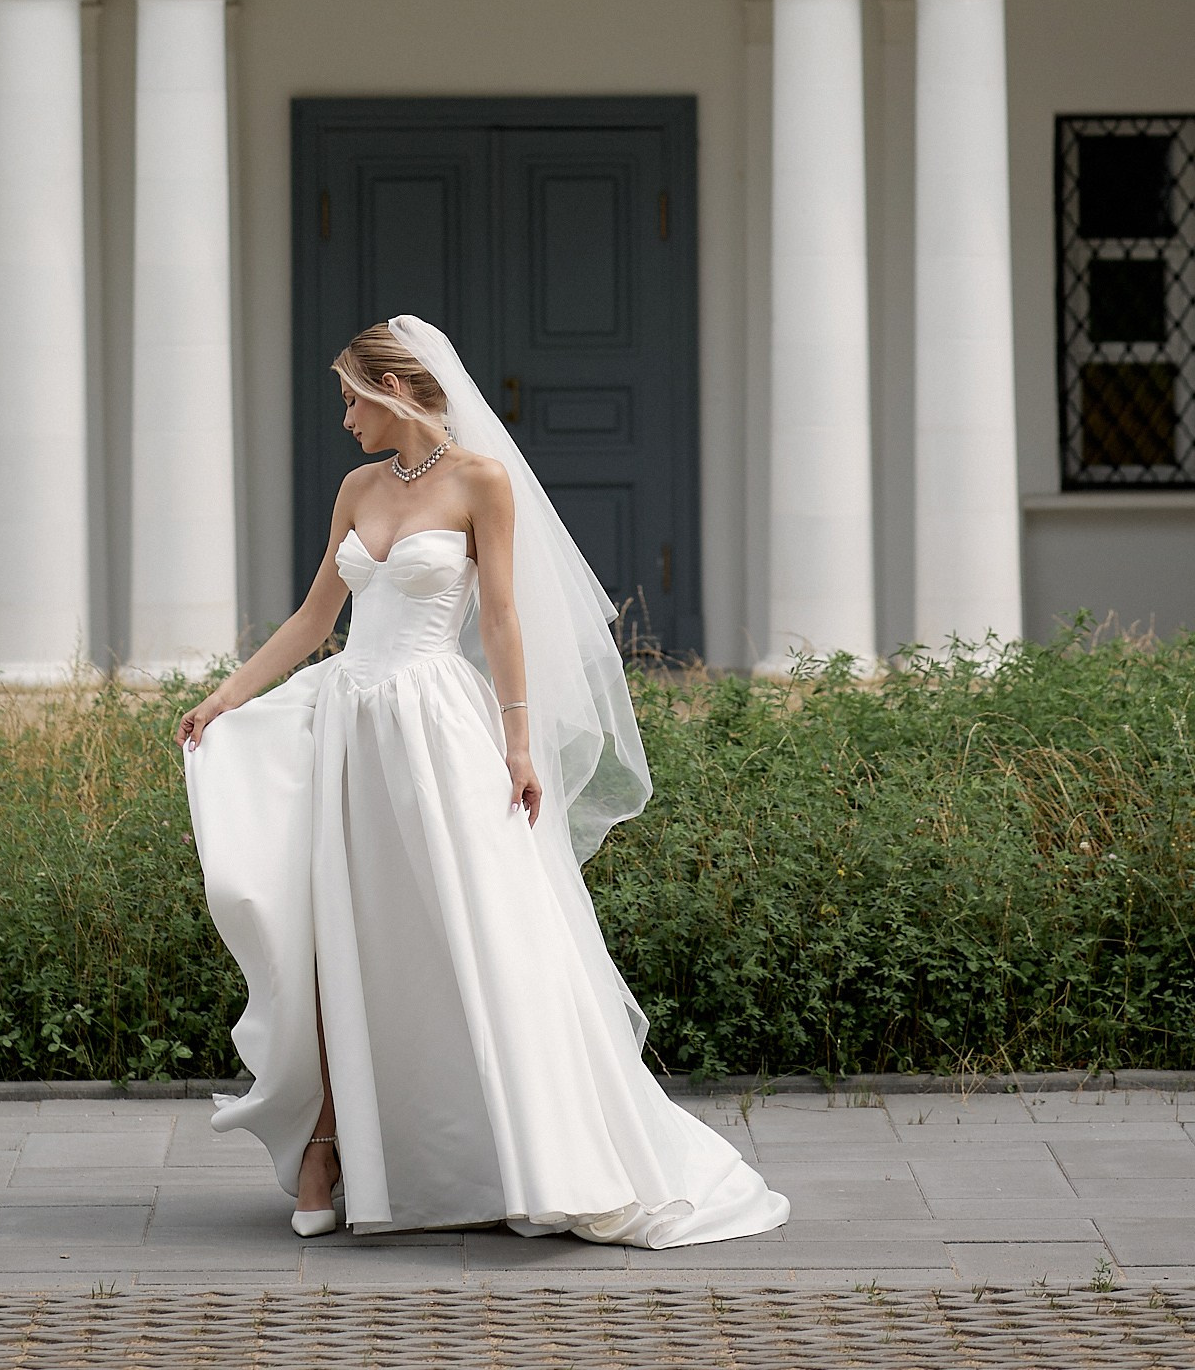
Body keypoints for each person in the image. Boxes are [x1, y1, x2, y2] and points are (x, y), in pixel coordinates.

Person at [178, 313, 787, 1246]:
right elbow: (313, 620)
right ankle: (331, 1150)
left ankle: (535, 1152)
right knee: (353, 937)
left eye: (352, 399)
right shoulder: (354, 488)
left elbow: (500, 618)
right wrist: (221, 700)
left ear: (398, 392)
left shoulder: (481, 481)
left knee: (482, 927)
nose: (344, 419)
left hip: (441, 727)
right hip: (353, 726)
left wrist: (518, 744)